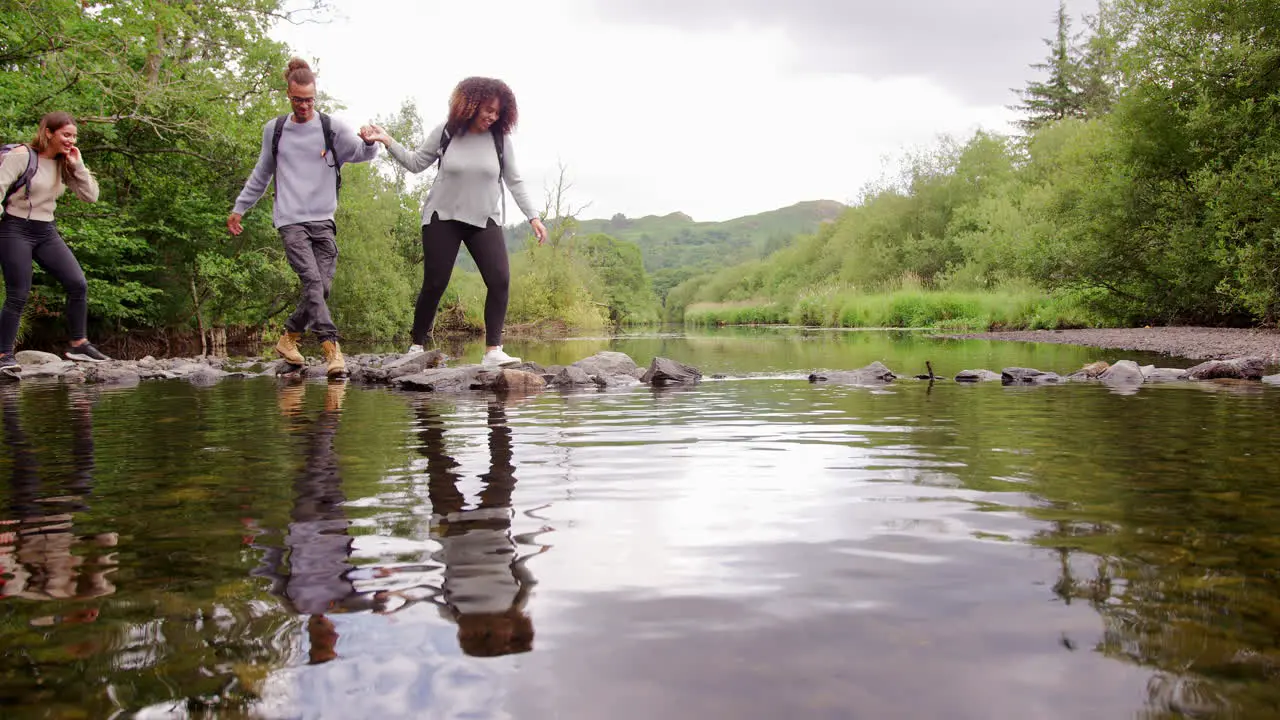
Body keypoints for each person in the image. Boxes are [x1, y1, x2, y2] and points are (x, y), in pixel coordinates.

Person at [359, 77, 549, 368]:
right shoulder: (447, 132)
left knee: (500, 280)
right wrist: (387, 140)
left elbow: (515, 181)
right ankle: (417, 346)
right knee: (435, 282)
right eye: (487, 109)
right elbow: (415, 162)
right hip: (442, 217)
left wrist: (533, 216)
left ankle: (493, 351)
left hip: (484, 219)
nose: (492, 116)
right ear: (470, 104)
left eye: (497, 112)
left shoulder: (500, 141)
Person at [228, 58, 379, 378]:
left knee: (321, 287)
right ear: (288, 94)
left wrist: (369, 141)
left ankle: (288, 339)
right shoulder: (276, 129)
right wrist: (240, 207)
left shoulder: (330, 127)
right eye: (298, 100)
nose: (304, 106)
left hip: (324, 219)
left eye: (310, 100)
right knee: (311, 281)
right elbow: (261, 174)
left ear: (316, 96)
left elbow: (362, 154)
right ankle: (331, 347)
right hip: (290, 219)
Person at [0, 111, 108, 370]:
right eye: (66, 135)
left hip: (46, 230)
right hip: (15, 228)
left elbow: (90, 196)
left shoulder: (65, 162)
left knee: (77, 283)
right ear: (48, 132)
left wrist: (78, 165)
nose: (71, 140)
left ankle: (78, 344)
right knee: (18, 293)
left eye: (74, 136)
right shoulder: (22, 156)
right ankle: (3, 355)